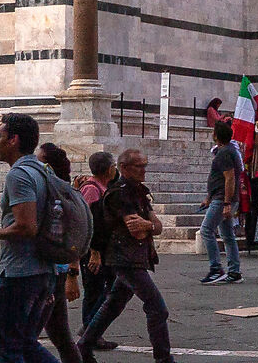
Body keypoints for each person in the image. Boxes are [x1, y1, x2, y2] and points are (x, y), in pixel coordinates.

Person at [0, 112, 58, 363]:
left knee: (9, 349)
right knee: (27, 345)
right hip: (43, 270)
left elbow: (26, 227)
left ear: (13, 140)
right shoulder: (43, 169)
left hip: (18, 273)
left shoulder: (18, 175)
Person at [80, 148, 173, 363]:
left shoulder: (139, 191)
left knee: (114, 303)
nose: (144, 170)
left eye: (144, 165)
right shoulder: (119, 193)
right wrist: (150, 225)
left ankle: (84, 345)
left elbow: (155, 226)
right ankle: (164, 359)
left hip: (134, 256)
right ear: (123, 168)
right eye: (138, 166)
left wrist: (149, 224)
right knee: (157, 309)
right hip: (125, 258)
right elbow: (137, 229)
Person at [38, 143, 86, 363]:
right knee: (60, 334)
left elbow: (71, 235)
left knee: (24, 337)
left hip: (53, 271)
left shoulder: (59, 196)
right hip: (52, 270)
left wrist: (72, 274)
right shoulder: (55, 191)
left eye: (39, 161)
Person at [200, 118, 242, 284]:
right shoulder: (227, 150)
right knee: (227, 235)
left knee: (206, 230)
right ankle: (234, 271)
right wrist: (208, 197)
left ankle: (216, 268)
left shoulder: (224, 153)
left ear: (216, 135)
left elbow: (229, 178)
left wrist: (226, 203)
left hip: (222, 199)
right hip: (218, 197)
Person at [78, 151, 116, 324]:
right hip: (94, 251)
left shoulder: (102, 187)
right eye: (114, 166)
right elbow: (89, 222)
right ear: (108, 169)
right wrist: (95, 251)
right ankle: (89, 329)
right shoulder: (92, 190)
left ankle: (92, 329)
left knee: (105, 289)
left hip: (103, 249)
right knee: (95, 291)